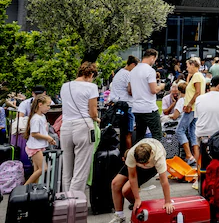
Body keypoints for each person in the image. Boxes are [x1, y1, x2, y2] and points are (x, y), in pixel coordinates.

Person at [99, 139, 173, 223]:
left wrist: (167, 202)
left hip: (151, 167)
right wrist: (137, 198)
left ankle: (139, 212)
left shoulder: (159, 157)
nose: (144, 165)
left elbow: (164, 181)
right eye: (142, 163)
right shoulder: (131, 154)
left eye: (145, 163)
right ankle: (120, 218)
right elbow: (132, 176)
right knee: (115, 184)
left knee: (125, 191)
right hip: (135, 162)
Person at [60, 61, 100, 193]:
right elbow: (93, 112)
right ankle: (74, 201)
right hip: (83, 126)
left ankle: (65, 199)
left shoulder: (65, 86)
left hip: (66, 126)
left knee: (67, 168)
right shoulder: (91, 87)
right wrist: (97, 119)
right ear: (91, 74)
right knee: (81, 169)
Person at [130, 49, 166, 141]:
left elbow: (129, 90)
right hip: (149, 107)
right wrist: (161, 86)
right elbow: (154, 90)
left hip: (137, 108)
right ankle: (157, 154)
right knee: (157, 135)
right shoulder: (150, 70)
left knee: (140, 136)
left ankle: (139, 154)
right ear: (152, 58)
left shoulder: (133, 70)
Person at [176, 57, 204, 167]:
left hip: (192, 108)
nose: (187, 68)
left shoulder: (196, 76)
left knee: (180, 130)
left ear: (193, 65)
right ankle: (196, 159)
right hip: (195, 108)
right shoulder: (198, 76)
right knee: (193, 133)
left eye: (188, 65)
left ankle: (189, 156)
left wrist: (188, 105)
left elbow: (197, 92)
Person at [23, 94, 55, 185]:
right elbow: (34, 133)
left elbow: (41, 133)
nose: (49, 108)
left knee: (37, 171)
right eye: (48, 105)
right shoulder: (36, 118)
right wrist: (48, 138)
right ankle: (24, 188)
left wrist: (48, 139)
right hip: (34, 147)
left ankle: (32, 189)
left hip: (37, 146)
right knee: (43, 168)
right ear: (40, 105)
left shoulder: (41, 117)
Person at [109, 55, 138, 149]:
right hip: (127, 105)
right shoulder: (128, 74)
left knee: (123, 132)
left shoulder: (119, 73)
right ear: (133, 65)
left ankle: (122, 154)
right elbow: (131, 91)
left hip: (118, 105)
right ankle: (129, 155)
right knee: (129, 133)